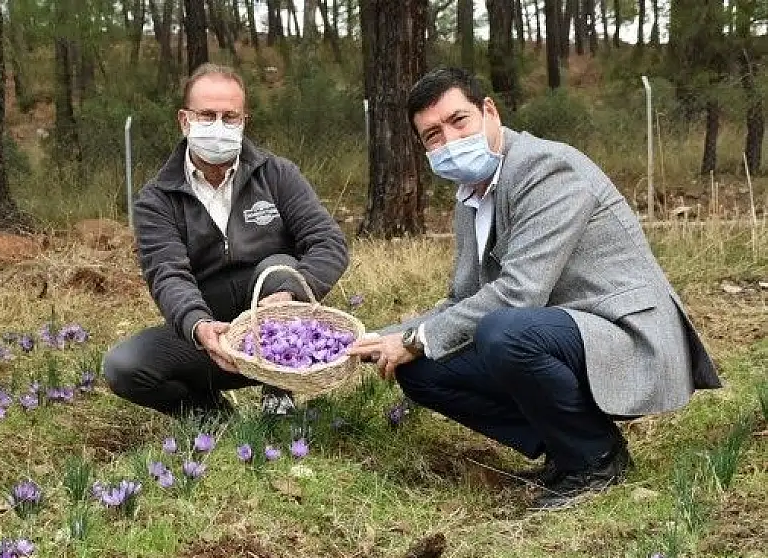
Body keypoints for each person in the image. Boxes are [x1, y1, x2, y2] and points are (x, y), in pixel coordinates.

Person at [348, 68, 721, 510]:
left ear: (490, 111)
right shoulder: (471, 195)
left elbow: (517, 295)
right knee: (419, 367)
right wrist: (383, 337)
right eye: (432, 135)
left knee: (502, 332)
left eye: (458, 121)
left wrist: (416, 338)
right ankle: (566, 446)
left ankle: (596, 459)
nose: (448, 141)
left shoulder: (546, 168)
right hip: (559, 332)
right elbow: (463, 299)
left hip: (623, 334)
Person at [104, 63, 349, 418]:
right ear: (184, 121)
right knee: (124, 366)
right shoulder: (157, 198)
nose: (219, 126)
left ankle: (278, 390)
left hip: (276, 331)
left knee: (278, 268)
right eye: (207, 115)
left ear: (244, 121)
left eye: (229, 116)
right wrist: (198, 326)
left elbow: (328, 242)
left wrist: (290, 298)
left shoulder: (277, 174)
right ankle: (210, 413)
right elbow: (168, 274)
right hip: (212, 335)